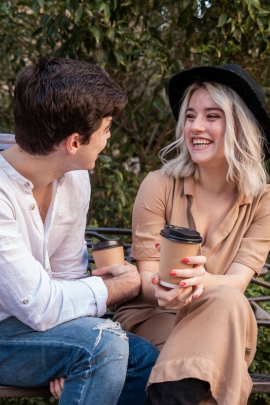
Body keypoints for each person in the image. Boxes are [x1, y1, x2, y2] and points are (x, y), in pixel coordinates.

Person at [0, 57, 159, 405]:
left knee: (142, 360)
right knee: (101, 344)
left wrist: (68, 348)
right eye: (105, 130)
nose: (107, 139)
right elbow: (39, 306)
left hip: (33, 329)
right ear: (74, 142)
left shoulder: (74, 177)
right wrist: (123, 284)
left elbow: (68, 273)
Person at [114, 64, 270, 405]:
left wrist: (201, 283)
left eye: (212, 116)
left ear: (240, 127)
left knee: (227, 302)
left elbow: (237, 283)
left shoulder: (263, 200)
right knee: (217, 366)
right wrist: (166, 288)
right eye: (190, 116)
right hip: (154, 317)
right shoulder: (159, 184)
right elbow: (146, 278)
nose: (195, 127)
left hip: (219, 320)